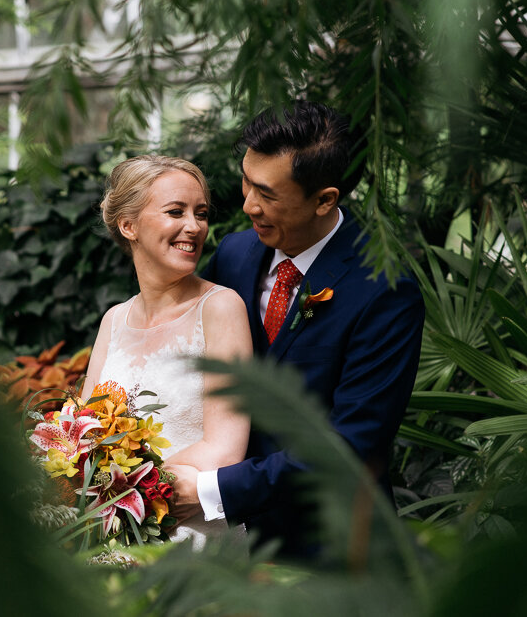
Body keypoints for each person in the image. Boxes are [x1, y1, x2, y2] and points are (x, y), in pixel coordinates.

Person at [166, 101, 425, 557]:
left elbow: (351, 445)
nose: (248, 205)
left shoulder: (385, 290)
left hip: (330, 549)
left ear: (325, 199)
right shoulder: (234, 255)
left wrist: (212, 491)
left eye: (267, 194)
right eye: (247, 182)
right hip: (225, 547)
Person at [80, 154, 253, 549]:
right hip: (109, 533)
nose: (193, 227)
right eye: (176, 212)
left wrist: (126, 490)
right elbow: (86, 438)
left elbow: (225, 449)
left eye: (201, 213)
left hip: (190, 536)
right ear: (129, 225)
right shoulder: (113, 321)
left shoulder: (220, 308)